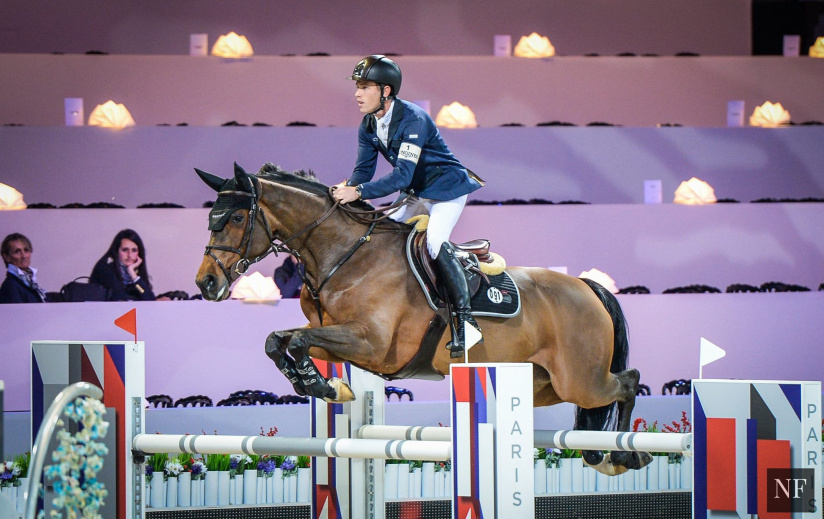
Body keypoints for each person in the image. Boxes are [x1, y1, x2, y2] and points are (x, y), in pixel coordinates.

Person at [332, 55, 484, 358]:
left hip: (446, 190)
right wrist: (346, 187)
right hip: (416, 192)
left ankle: (467, 323)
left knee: (435, 244)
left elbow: (401, 174)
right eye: (357, 87)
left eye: (364, 87)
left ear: (385, 91)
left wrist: (358, 191)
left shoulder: (414, 118)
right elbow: (363, 171)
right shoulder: (369, 124)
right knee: (385, 236)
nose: (357, 93)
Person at [90, 229, 158, 301]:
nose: (129, 255)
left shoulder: (136, 271)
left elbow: (149, 299)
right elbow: (119, 298)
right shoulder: (105, 268)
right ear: (117, 251)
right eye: (125, 250)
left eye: (134, 250)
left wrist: (133, 275)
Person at [0, 232, 47, 303]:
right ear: (6, 257)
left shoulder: (29, 281)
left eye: (26, 250)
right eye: (17, 251)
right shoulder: (10, 286)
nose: (24, 256)